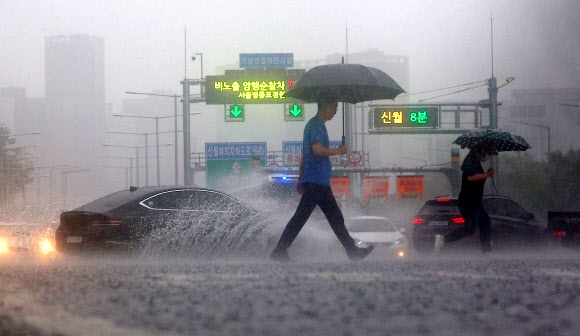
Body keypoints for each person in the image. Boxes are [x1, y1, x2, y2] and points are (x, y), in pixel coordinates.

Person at [270, 99, 374, 262]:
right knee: (303, 218)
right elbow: (317, 150)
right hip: (316, 182)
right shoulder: (317, 125)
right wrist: (339, 151)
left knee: (333, 217)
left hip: (317, 181)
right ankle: (279, 250)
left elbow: (305, 155)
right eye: (334, 107)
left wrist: (300, 178)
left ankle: (352, 250)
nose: (335, 111)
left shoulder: (313, 125)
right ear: (325, 106)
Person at [434, 143, 496, 254]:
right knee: (470, 228)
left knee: (486, 223)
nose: (487, 156)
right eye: (487, 152)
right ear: (481, 150)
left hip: (475, 201)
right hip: (468, 201)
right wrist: (486, 175)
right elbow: (471, 178)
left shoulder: (475, 162)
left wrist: (487, 174)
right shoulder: (470, 162)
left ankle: (486, 251)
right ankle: (443, 239)